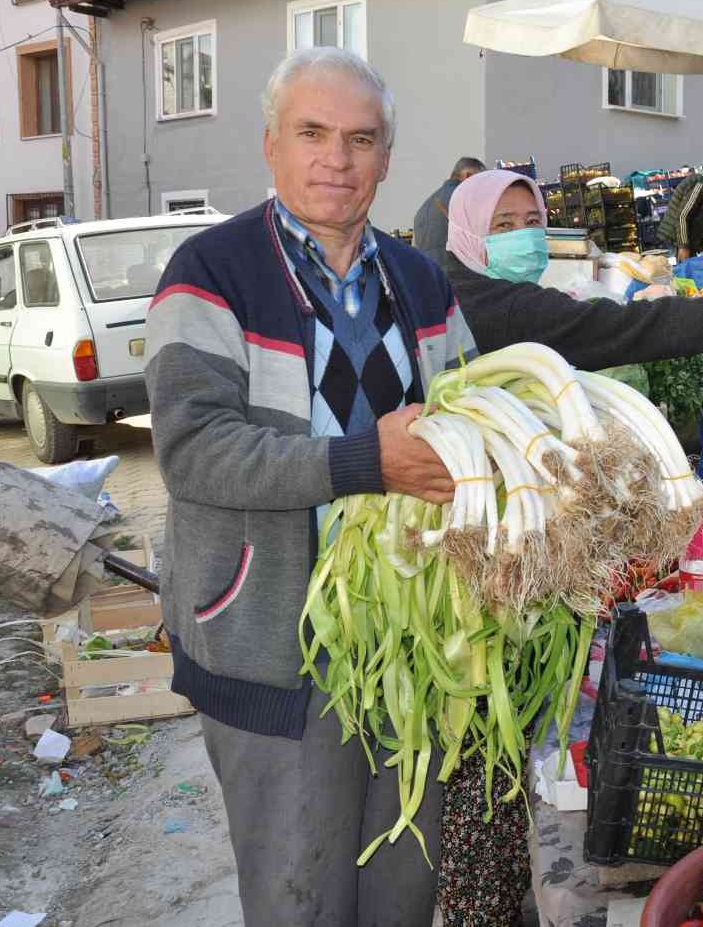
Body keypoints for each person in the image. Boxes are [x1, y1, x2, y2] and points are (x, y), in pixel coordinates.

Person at [435, 168, 703, 925]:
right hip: (476, 552)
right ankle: (483, 906)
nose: (522, 233)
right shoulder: (472, 304)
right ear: (464, 233)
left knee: (511, 743)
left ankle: (497, 896)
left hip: (527, 541)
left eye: (531, 216)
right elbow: (619, 331)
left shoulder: (499, 299)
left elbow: (603, 326)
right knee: (478, 749)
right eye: (502, 224)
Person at [144, 47, 474, 926]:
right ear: (270, 145)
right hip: (275, 642)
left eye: (361, 138)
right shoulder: (211, 271)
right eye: (313, 133)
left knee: (404, 890)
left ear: (388, 157)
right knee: (302, 894)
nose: (338, 158)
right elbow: (194, 450)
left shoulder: (420, 281)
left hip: (412, 639)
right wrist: (366, 462)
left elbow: (474, 410)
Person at [413, 156, 486, 260]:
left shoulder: (423, 208)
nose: (483, 186)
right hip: (465, 273)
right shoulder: (467, 198)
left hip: (433, 273)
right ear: (468, 176)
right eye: (481, 180)